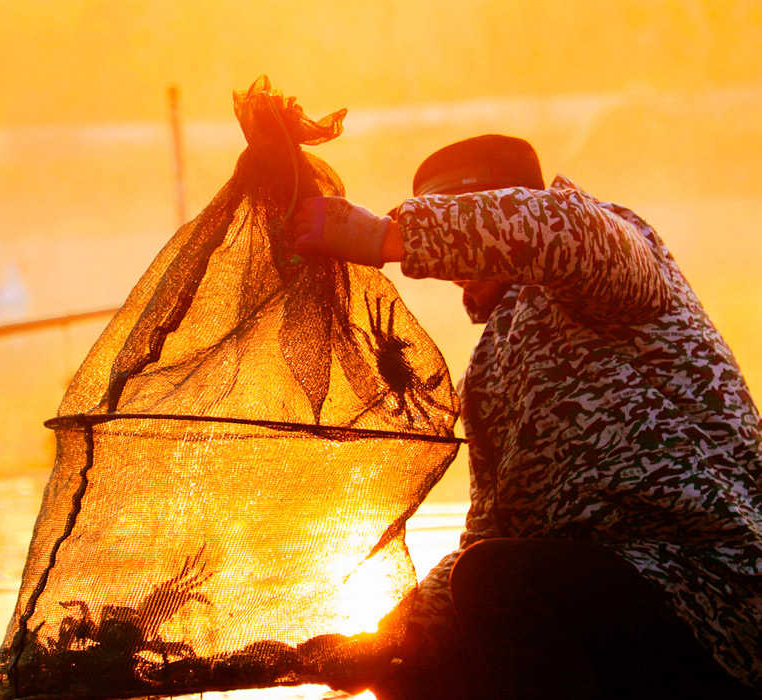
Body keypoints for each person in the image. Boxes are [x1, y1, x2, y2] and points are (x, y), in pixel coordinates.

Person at [290, 134, 762, 699]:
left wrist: (384, 235)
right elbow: (490, 533)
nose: (451, 266)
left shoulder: (614, 258)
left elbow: (559, 227)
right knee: (411, 658)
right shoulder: (487, 372)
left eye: (457, 218)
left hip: (712, 597)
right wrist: (388, 637)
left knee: (496, 577)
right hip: (593, 607)